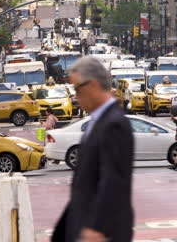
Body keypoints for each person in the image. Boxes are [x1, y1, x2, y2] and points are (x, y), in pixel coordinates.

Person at [51, 57, 134, 242]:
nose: (76, 96)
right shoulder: (98, 121)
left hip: (102, 233)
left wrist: (97, 228)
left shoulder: (114, 124)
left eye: (77, 89)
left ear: (93, 85)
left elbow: (114, 180)